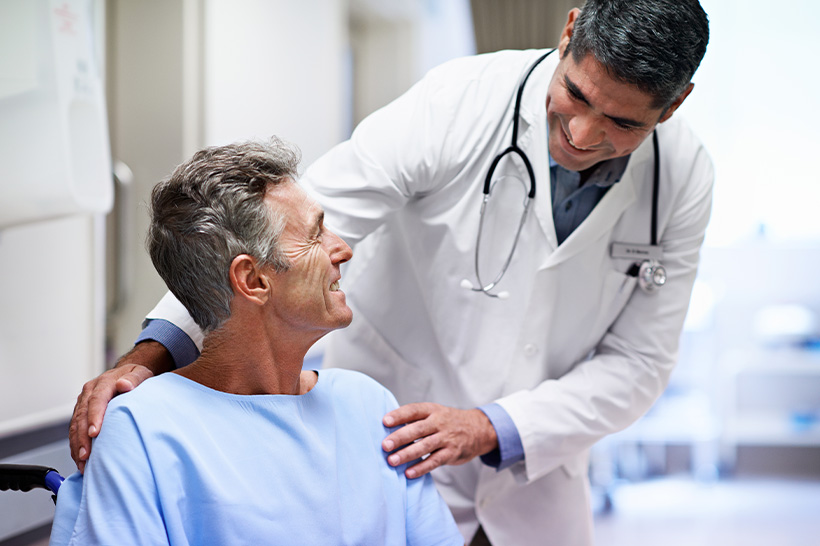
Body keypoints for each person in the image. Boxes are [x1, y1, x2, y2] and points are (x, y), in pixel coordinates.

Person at [69, 1, 712, 544]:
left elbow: (640, 361)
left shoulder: (681, 180)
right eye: (575, 95)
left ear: (675, 104)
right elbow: (269, 237)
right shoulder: (458, 103)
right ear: (569, 32)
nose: (580, 132)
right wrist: (146, 357)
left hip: (524, 471)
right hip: (396, 433)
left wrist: (492, 426)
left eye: (623, 123)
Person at [51, 139, 464, 546]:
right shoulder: (141, 429)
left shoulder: (370, 407)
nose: (343, 249)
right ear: (252, 280)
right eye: (316, 233)